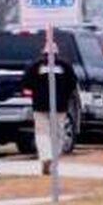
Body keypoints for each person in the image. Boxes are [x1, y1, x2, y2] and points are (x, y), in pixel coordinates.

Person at [20, 46, 76, 175]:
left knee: (41, 133)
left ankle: (46, 157)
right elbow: (72, 85)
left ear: (43, 53)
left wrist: (35, 91)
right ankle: (53, 160)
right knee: (58, 134)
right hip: (60, 106)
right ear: (57, 53)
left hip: (40, 106)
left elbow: (26, 84)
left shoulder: (35, 66)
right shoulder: (65, 66)